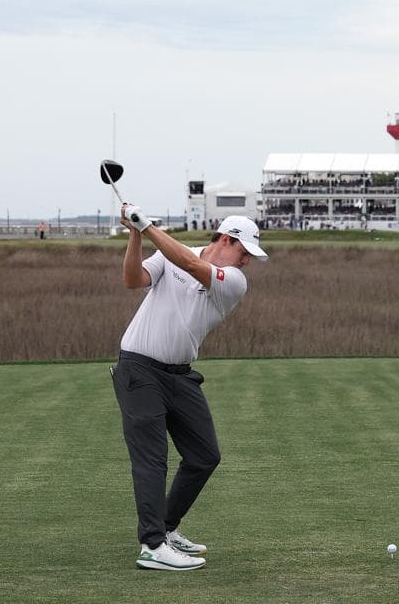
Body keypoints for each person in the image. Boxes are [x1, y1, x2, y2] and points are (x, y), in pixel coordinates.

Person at [110, 205, 268, 571]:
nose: (246, 261)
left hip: (179, 376)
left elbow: (190, 264)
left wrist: (147, 226)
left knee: (204, 455)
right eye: (244, 252)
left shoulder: (234, 281)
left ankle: (165, 528)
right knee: (152, 458)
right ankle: (153, 546)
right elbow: (133, 280)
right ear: (225, 239)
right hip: (138, 369)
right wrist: (135, 234)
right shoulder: (172, 254)